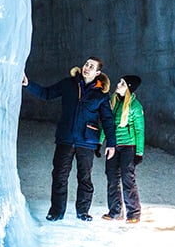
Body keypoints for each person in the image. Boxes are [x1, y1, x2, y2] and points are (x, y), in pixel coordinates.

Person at [22, 57, 117, 222]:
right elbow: (47, 93)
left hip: (87, 141)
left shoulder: (101, 94)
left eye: (91, 66)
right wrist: (28, 84)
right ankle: (56, 212)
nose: (87, 67)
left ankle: (83, 211)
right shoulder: (68, 84)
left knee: (84, 178)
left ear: (97, 73)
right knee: (59, 175)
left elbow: (107, 120)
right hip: (66, 138)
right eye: (86, 64)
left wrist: (111, 144)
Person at [101, 75, 145, 224]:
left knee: (127, 178)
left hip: (128, 147)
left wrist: (139, 152)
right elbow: (107, 124)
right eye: (120, 81)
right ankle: (115, 211)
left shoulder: (135, 106)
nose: (118, 84)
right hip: (113, 145)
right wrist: (100, 142)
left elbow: (139, 130)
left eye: (123, 83)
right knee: (112, 177)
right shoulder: (113, 102)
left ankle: (134, 213)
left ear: (129, 88)